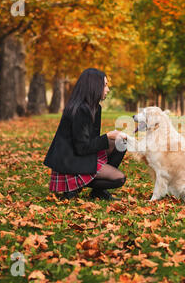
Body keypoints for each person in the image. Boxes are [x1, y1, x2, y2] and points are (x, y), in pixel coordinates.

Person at [43, 68, 127, 200]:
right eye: (105, 85)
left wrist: (112, 137)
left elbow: (90, 141)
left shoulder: (94, 108)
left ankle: (98, 192)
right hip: (70, 162)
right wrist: (107, 136)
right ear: (94, 85)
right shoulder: (80, 110)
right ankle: (74, 186)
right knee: (119, 178)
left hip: (81, 155)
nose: (108, 89)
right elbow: (82, 148)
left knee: (121, 143)